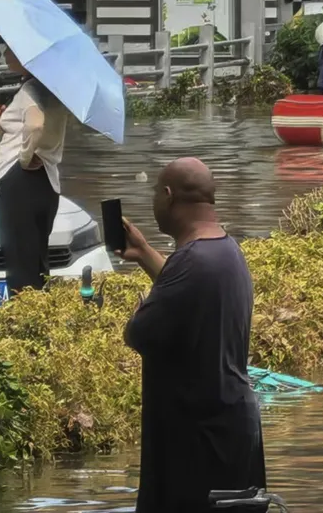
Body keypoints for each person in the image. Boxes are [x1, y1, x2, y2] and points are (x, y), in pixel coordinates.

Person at [116, 158, 266, 512]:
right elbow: (190, 291)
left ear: (168, 196)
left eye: (156, 192)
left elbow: (138, 333)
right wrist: (144, 253)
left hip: (196, 445)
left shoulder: (191, 263)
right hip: (232, 429)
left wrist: (141, 311)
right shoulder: (226, 250)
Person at [0, 44, 70, 294]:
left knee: (18, 263)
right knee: (37, 261)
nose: (5, 54)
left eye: (11, 49)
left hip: (16, 179)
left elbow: (34, 125)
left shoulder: (31, 90)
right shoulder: (56, 91)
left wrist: (25, 157)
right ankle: (39, 310)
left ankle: (21, 313)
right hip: (47, 182)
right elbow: (29, 127)